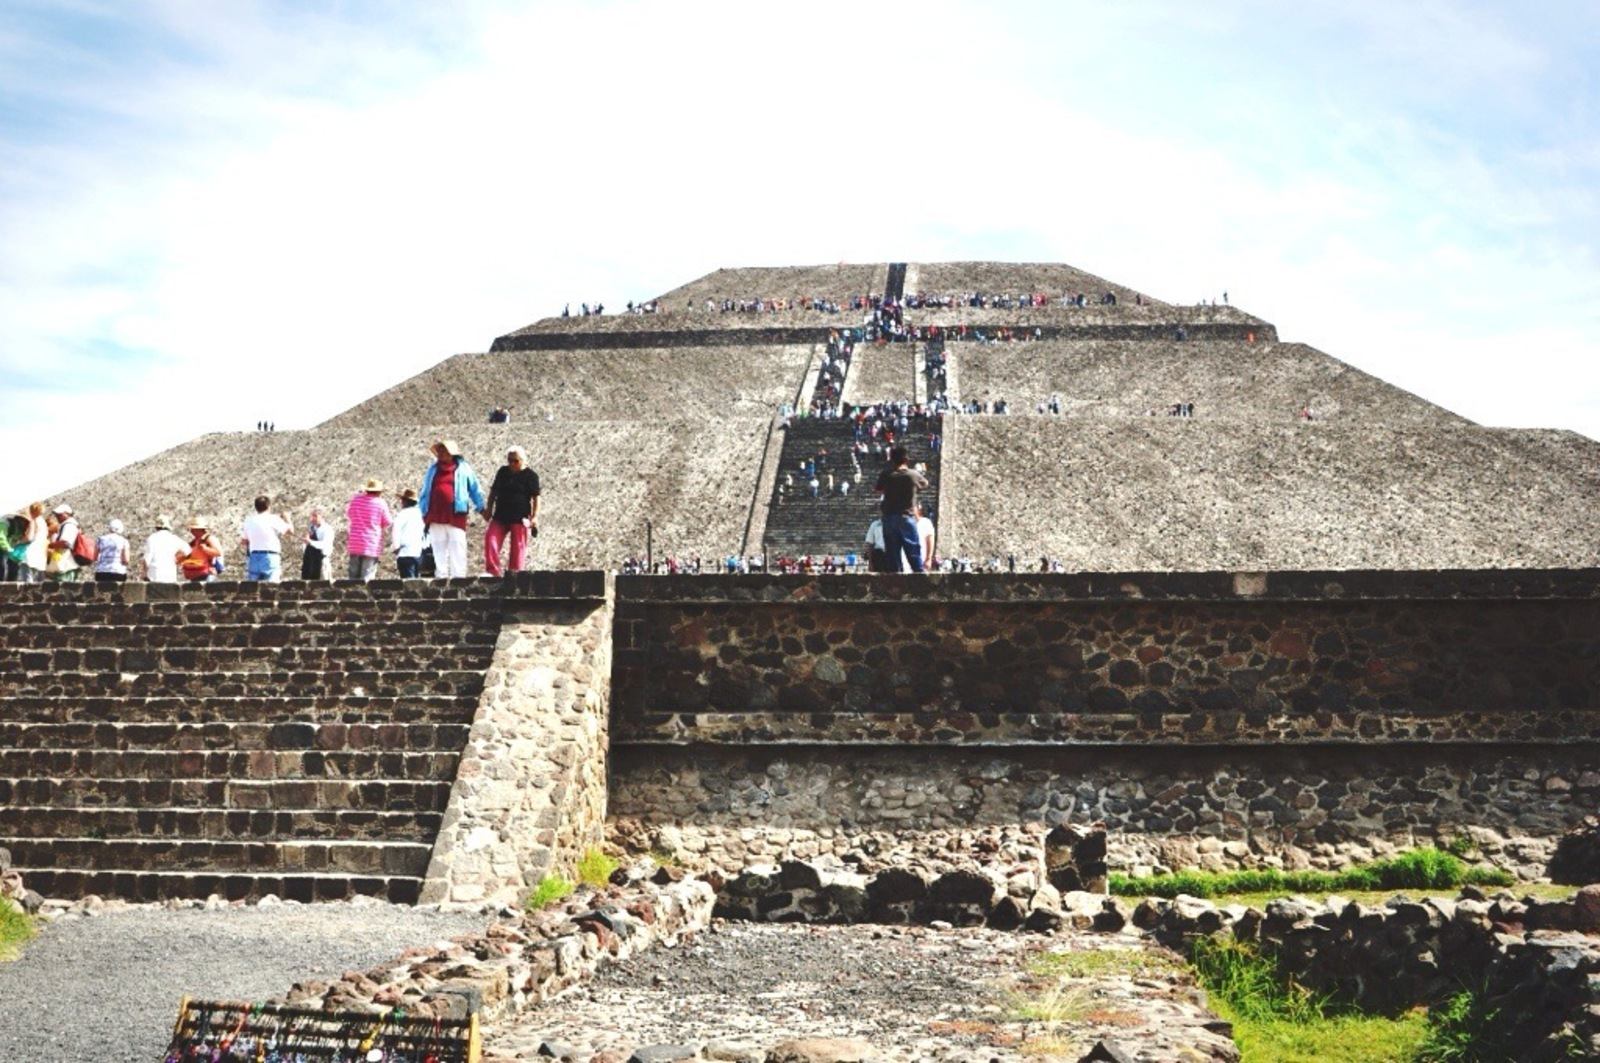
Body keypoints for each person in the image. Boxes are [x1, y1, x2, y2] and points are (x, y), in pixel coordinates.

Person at [419, 439, 486, 579]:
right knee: (438, 547)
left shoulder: (463, 468)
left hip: (456, 514)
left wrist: (481, 507)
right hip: (435, 514)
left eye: (444, 450)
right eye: (440, 450)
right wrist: (423, 510)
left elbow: (474, 488)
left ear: (452, 453)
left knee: (457, 546)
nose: (441, 453)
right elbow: (425, 490)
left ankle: (458, 578)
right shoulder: (433, 469)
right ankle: (441, 577)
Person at [483, 446, 540, 577]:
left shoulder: (531, 476)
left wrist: (535, 516)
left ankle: (515, 576)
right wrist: (489, 508)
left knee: (518, 548)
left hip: (519, 517)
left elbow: (536, 498)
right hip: (500, 516)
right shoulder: (503, 472)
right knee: (490, 539)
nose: (512, 464)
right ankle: (493, 572)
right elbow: (493, 492)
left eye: (515, 461)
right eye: (509, 460)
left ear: (523, 460)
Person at [873, 446, 929, 573]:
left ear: (892, 459)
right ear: (906, 459)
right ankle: (920, 579)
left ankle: (895, 583)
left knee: (892, 553)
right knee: (913, 550)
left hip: (889, 517)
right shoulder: (913, 475)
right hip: (906, 517)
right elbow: (925, 484)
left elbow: (877, 489)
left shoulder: (886, 474)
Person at [345, 479, 393, 581]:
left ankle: (351, 595)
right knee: (367, 576)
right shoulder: (381, 503)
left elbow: (349, 514)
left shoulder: (355, 500)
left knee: (353, 576)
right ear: (379, 491)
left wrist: (358, 495)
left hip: (355, 542)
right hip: (371, 544)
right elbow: (387, 521)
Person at [240, 495, 293, 582]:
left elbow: (244, 541)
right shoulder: (272, 518)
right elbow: (290, 532)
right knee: (271, 587)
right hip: (270, 556)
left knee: (253, 588)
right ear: (268, 506)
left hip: (254, 556)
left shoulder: (249, 520)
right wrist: (288, 519)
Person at [391, 488, 425, 578]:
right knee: (417, 581)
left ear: (405, 501)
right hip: (418, 552)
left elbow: (396, 531)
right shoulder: (420, 514)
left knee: (408, 583)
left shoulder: (402, 514)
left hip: (405, 552)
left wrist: (396, 547)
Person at [142, 515, 186, 583]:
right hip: (170, 576)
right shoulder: (174, 538)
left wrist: (144, 573)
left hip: (154, 576)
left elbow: (147, 559)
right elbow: (187, 551)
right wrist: (177, 561)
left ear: (156, 527)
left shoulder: (152, 538)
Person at [178, 518, 222, 582]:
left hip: (207, 574)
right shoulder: (194, 542)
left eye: (193, 529)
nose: (191, 531)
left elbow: (218, 552)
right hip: (195, 573)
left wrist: (205, 549)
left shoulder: (209, 539)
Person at [46, 504, 82, 581]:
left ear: (67, 514)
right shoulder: (71, 525)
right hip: (68, 562)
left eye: (60, 514)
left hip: (67, 563)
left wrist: (50, 545)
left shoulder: (69, 526)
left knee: (65, 585)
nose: (57, 516)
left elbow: (65, 543)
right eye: (57, 515)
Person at [93, 518, 131, 583]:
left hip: (101, 572)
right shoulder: (124, 541)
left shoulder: (100, 539)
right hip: (118, 572)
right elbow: (126, 560)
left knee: (102, 592)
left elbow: (94, 557)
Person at [19, 503, 47, 583]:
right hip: (40, 554)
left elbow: (29, 538)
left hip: (29, 553)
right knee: (37, 582)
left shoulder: (32, 520)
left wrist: (18, 542)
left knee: (28, 581)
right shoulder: (43, 522)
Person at [301, 508, 332, 580]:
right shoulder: (311, 529)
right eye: (312, 516)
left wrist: (310, 542)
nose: (312, 519)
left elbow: (325, 544)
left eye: (315, 516)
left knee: (322, 585)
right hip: (309, 562)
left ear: (322, 517)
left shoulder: (327, 529)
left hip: (321, 561)